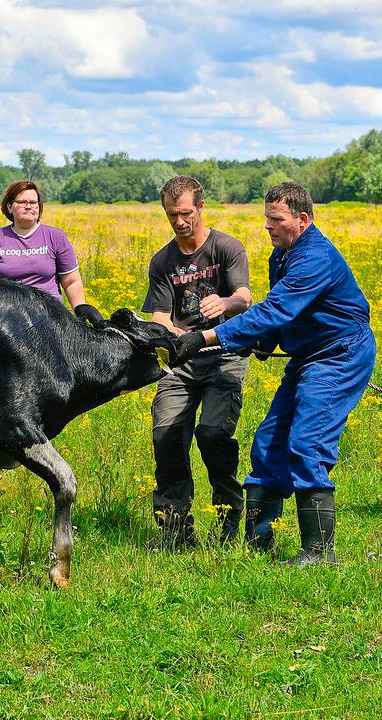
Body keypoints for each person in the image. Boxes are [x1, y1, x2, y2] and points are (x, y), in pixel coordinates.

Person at [199, 182, 375, 567]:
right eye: (266, 218)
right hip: (308, 355)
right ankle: (258, 543)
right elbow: (280, 315)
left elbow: (276, 309)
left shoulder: (315, 257)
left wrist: (208, 337)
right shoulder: (281, 255)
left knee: (308, 441)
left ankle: (320, 552)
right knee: (268, 443)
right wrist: (262, 341)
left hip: (339, 354)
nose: (268, 225)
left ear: (302, 219)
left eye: (276, 219)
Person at [142, 175, 252, 548]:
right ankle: (174, 528)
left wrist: (224, 303)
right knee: (167, 435)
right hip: (180, 364)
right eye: (172, 215)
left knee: (213, 434)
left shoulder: (227, 247)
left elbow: (244, 297)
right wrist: (171, 334)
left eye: (186, 213)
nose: (179, 221)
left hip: (224, 357)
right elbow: (160, 316)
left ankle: (227, 515)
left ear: (201, 207)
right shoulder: (163, 261)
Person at [0, 180, 87, 308]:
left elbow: (71, 282)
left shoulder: (56, 237)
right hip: (5, 314)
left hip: (49, 313)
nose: (28, 206)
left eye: (33, 203)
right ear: (9, 207)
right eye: (22, 202)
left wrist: (81, 310)